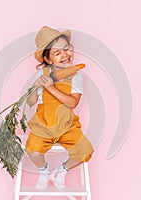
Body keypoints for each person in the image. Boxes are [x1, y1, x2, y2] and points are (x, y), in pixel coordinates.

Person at [25, 26, 94, 189]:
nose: (64, 55)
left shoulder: (76, 75)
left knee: (85, 150)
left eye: (67, 49)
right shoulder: (41, 74)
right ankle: (44, 170)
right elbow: (30, 102)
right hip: (43, 125)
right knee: (33, 152)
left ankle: (61, 171)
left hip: (66, 126)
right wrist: (35, 88)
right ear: (48, 60)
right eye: (57, 53)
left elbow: (72, 103)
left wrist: (51, 88)